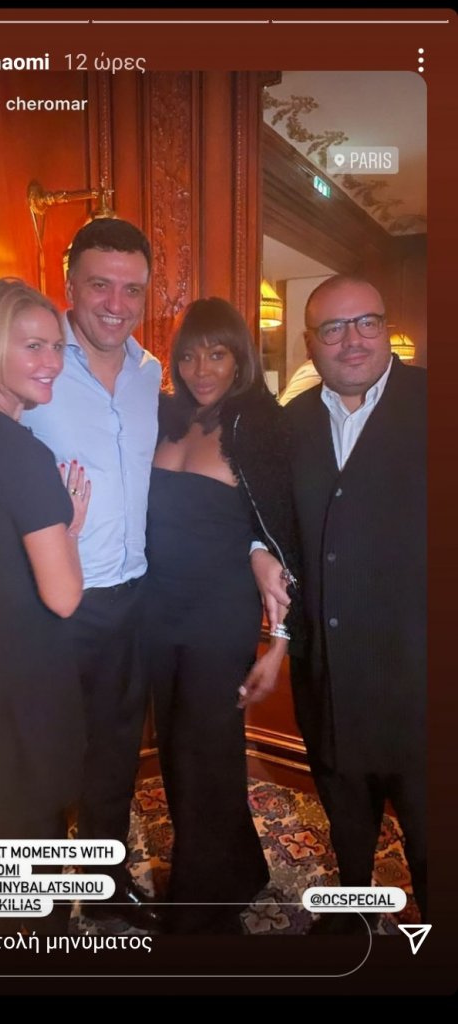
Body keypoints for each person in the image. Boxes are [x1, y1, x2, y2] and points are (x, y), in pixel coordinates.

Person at [0, 219, 163, 923]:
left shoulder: (151, 372)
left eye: (132, 289)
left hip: (127, 595)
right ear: (71, 284)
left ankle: (104, 881)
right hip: (45, 607)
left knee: (113, 758)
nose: (116, 304)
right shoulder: (28, 356)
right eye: (100, 284)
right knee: (30, 766)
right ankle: (17, 904)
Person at [254, 276, 426, 932]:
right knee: (346, 822)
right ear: (309, 342)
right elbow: (263, 516)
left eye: (366, 322)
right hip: (328, 675)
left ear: (385, 328)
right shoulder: (288, 424)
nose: (351, 340)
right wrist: (257, 551)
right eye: (332, 328)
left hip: (419, 680)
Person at [144, 297, 299, 933]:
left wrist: (279, 642)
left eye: (216, 353)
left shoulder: (260, 423)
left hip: (217, 615)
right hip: (156, 610)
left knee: (204, 752)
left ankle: (198, 911)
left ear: (240, 357)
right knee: (179, 750)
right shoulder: (166, 415)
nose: (201, 369)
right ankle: (238, 870)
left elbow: (283, 531)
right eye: (188, 355)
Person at [0, 278, 90, 933]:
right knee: (23, 882)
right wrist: (71, 529)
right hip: (16, 697)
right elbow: (64, 596)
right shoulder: (22, 452)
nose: (50, 361)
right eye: (31, 345)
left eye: (55, 346)